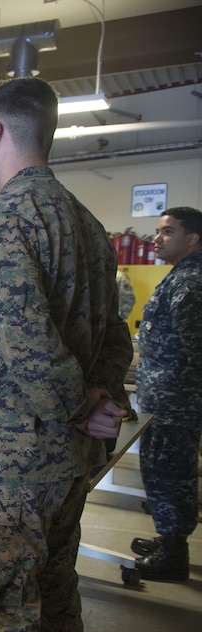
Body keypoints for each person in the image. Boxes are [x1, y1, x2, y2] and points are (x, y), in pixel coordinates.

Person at [0, 77, 132, 632]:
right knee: (55, 589)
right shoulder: (88, 225)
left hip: (2, 473)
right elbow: (116, 335)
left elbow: (27, 350)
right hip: (64, 466)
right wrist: (100, 400)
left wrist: (81, 402)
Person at [128, 207, 202, 582]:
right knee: (160, 471)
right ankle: (169, 540)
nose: (157, 238)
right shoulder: (179, 278)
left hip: (178, 404)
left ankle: (174, 555)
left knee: (172, 474)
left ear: (192, 239)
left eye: (168, 232)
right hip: (166, 400)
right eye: (157, 231)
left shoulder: (191, 283)